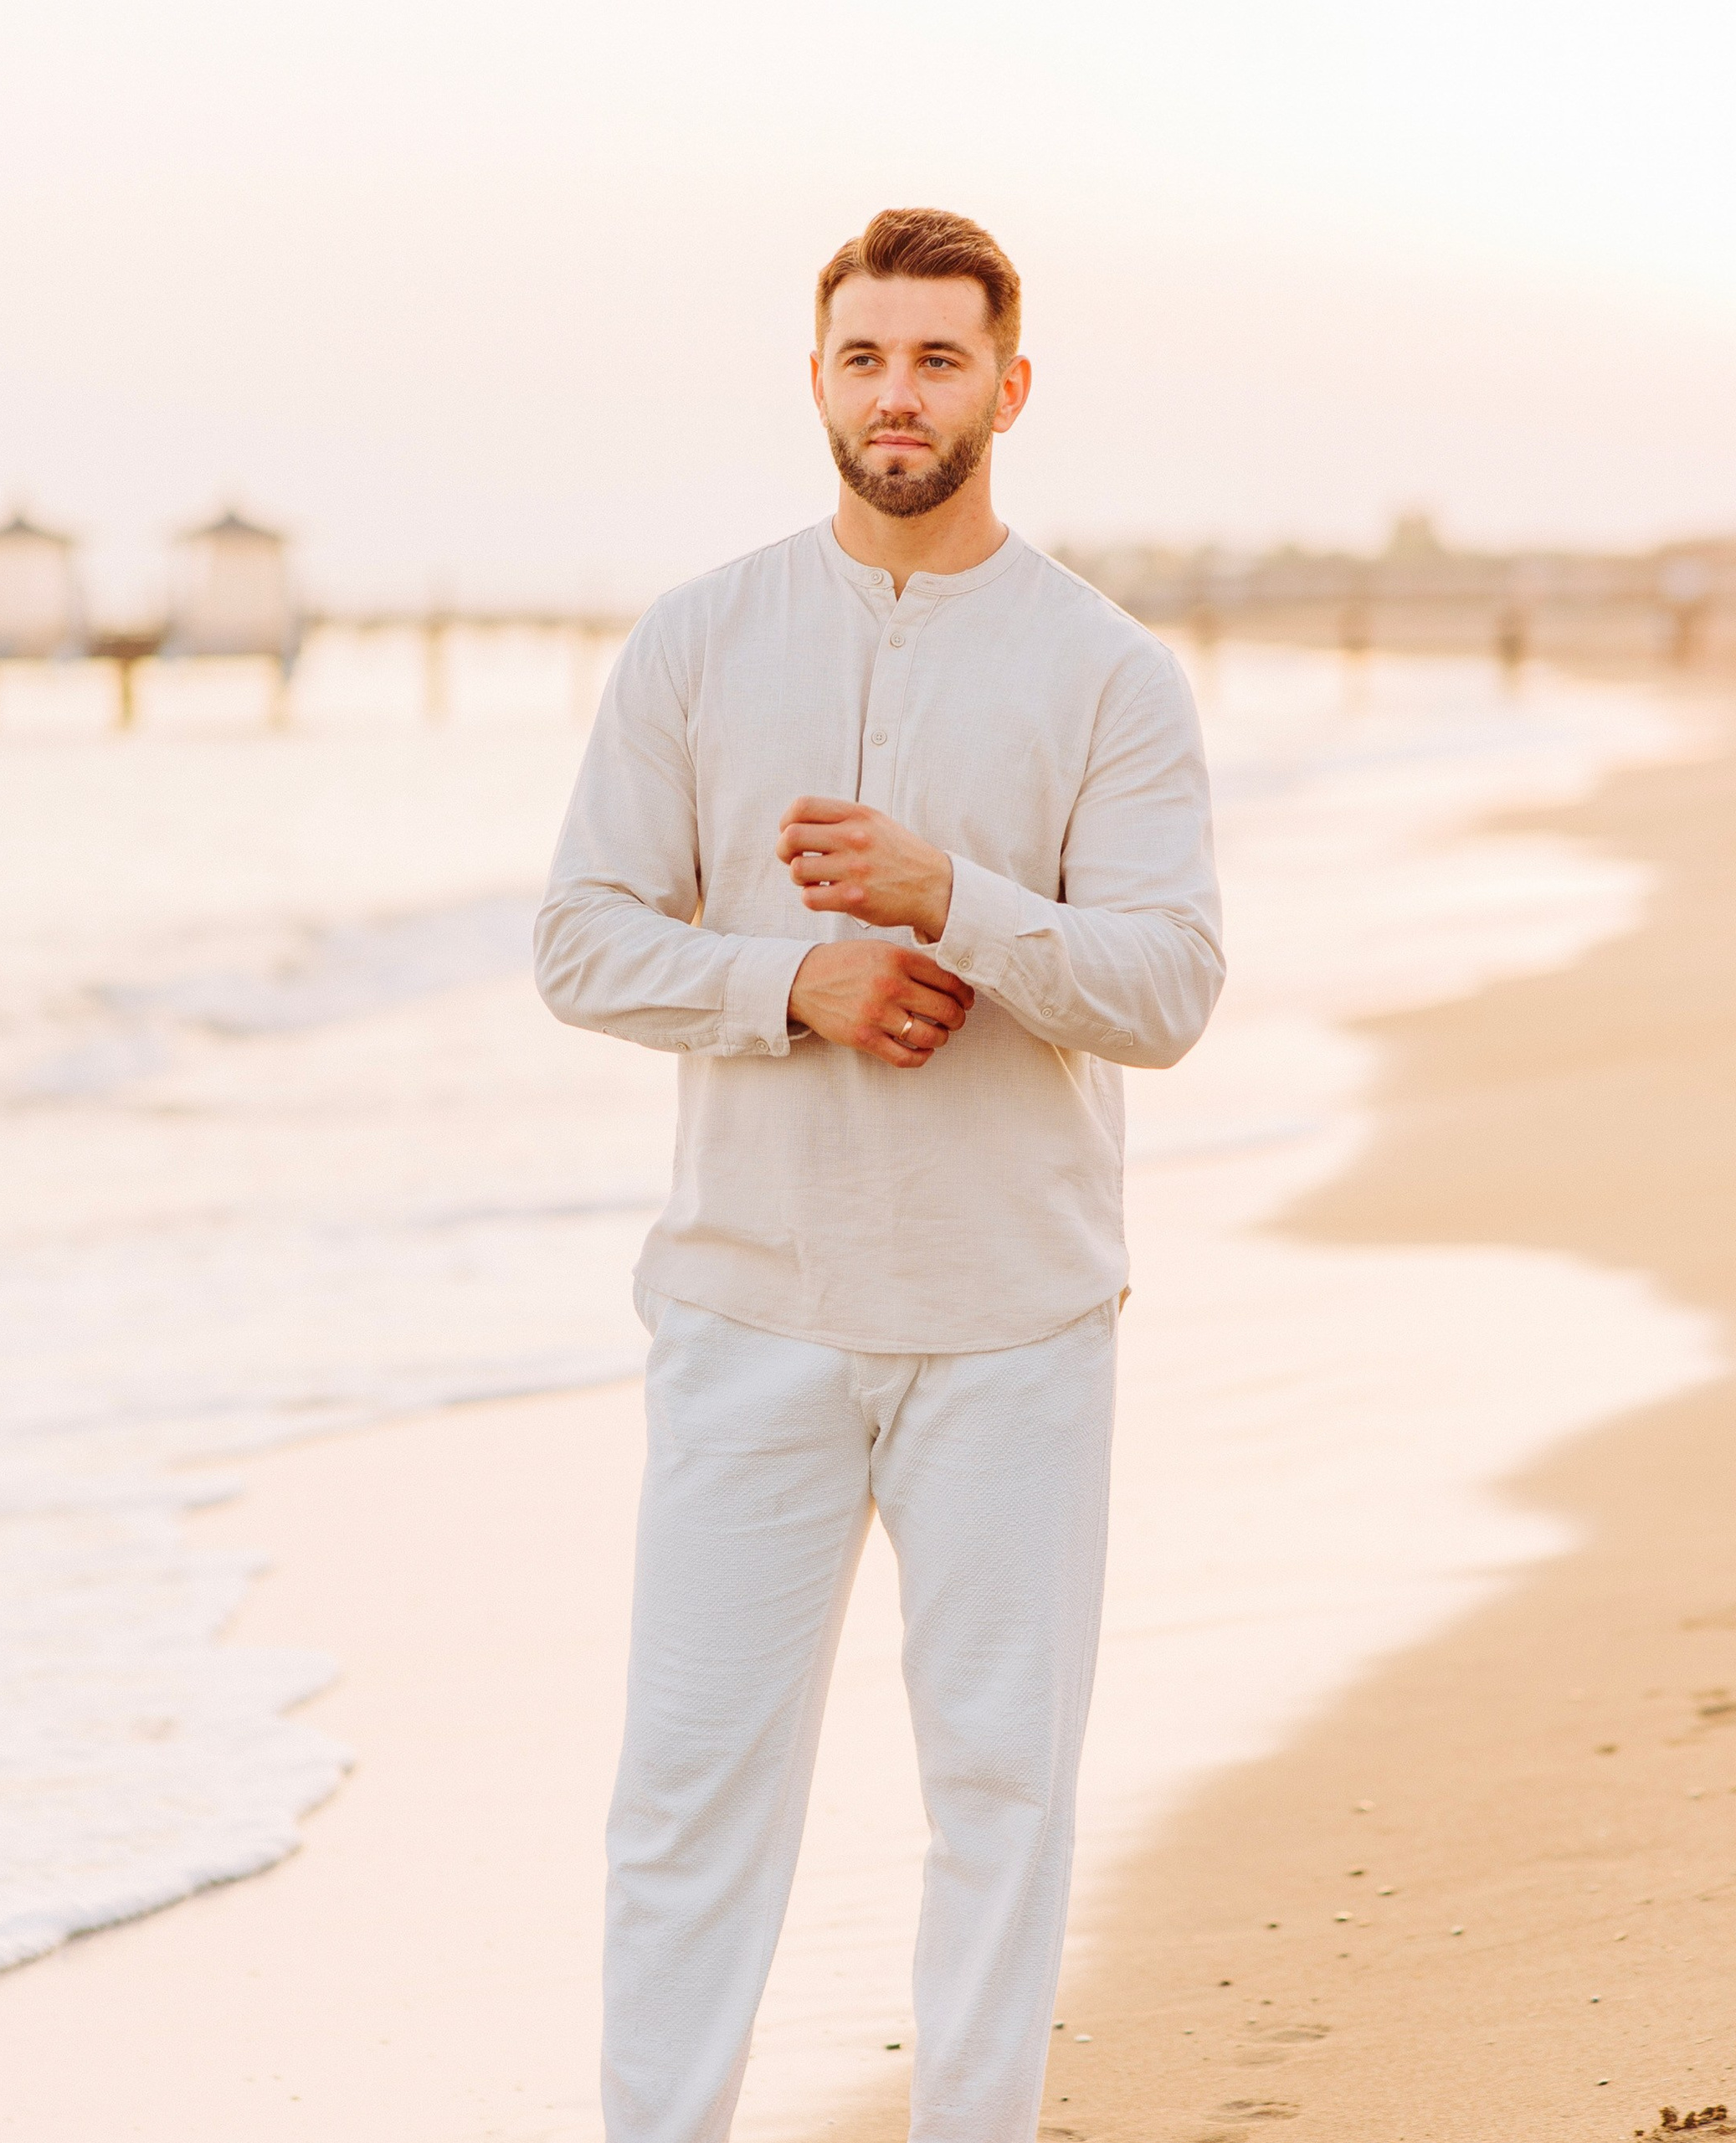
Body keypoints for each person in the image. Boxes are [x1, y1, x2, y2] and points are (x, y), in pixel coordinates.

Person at [535, 206, 1225, 2143]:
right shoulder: (697, 637)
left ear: (1007, 387)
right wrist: (789, 981)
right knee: (686, 1796)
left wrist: (958, 901)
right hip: (744, 1312)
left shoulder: (1106, 671)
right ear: (816, 378)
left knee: (997, 1791)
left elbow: (1167, 988)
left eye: (936, 359)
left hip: (1012, 1324)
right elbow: (579, 936)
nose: (896, 393)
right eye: (863, 356)